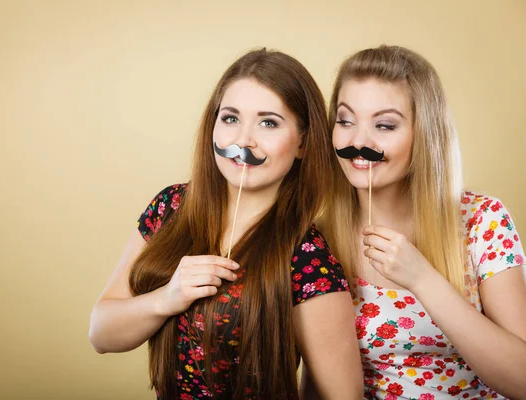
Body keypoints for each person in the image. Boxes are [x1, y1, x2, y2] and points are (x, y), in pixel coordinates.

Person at [88, 48, 363, 400]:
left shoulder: (307, 257)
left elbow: (344, 396)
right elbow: (101, 334)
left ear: (304, 143)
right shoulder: (170, 206)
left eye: (269, 123)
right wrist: (167, 298)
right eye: (231, 118)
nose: (242, 141)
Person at [304, 45, 526, 399]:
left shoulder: (482, 221)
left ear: (424, 134)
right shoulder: (317, 243)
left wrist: (422, 278)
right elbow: (318, 383)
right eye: (345, 121)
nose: (359, 141)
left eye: (385, 125)